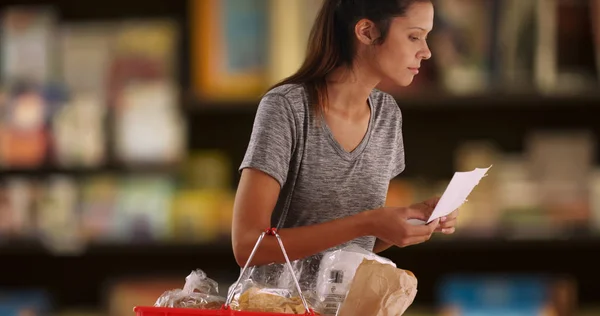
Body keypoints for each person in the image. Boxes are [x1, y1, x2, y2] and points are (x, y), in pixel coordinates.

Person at [232, 0, 458, 273]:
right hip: (278, 307)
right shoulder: (287, 107)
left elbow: (356, 243)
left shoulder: (388, 115)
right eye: (414, 37)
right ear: (366, 32)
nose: (426, 52)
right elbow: (247, 246)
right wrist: (369, 222)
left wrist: (409, 222)